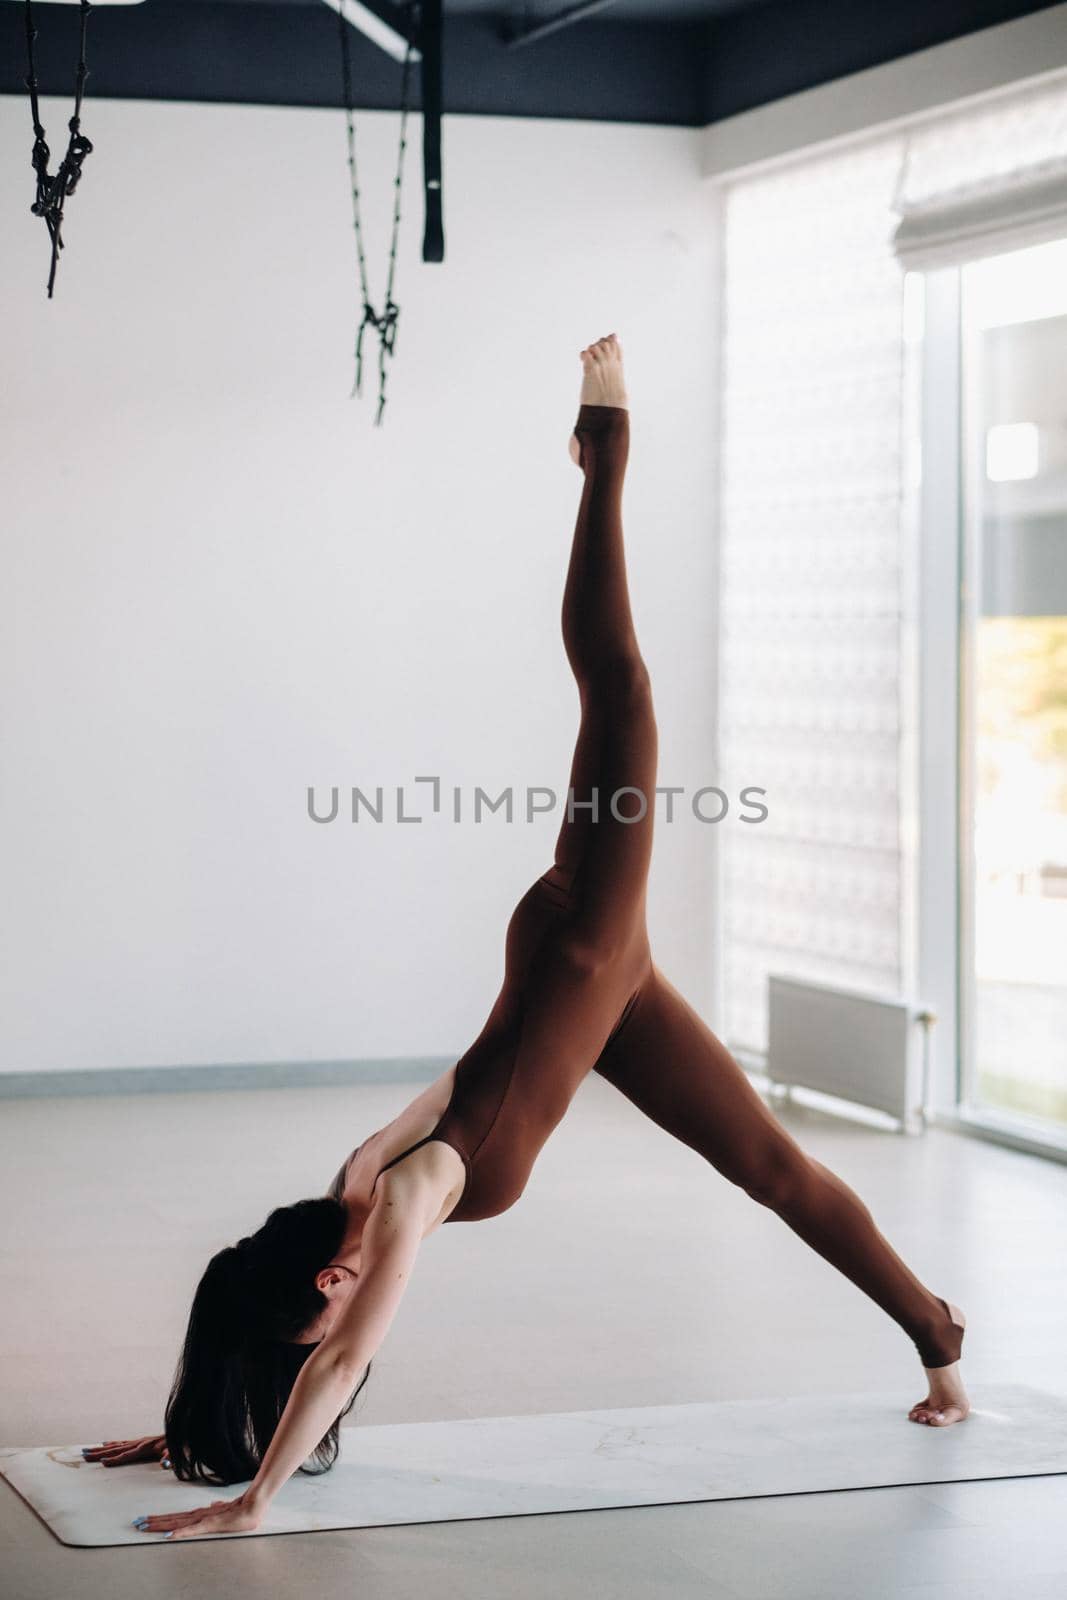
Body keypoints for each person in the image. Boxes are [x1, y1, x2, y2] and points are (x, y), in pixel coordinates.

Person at [86, 335, 969, 1540]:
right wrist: (186, 1436)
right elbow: (291, 1338)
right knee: (769, 1168)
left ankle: (601, 453)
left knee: (620, 689)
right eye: (329, 1309)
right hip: (605, 1001)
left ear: (316, 1272)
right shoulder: (353, 1182)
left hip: (580, 952)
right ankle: (939, 1345)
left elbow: (336, 1365)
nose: (344, 1306)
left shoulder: (399, 1195)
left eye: (323, 1300)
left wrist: (251, 1504)